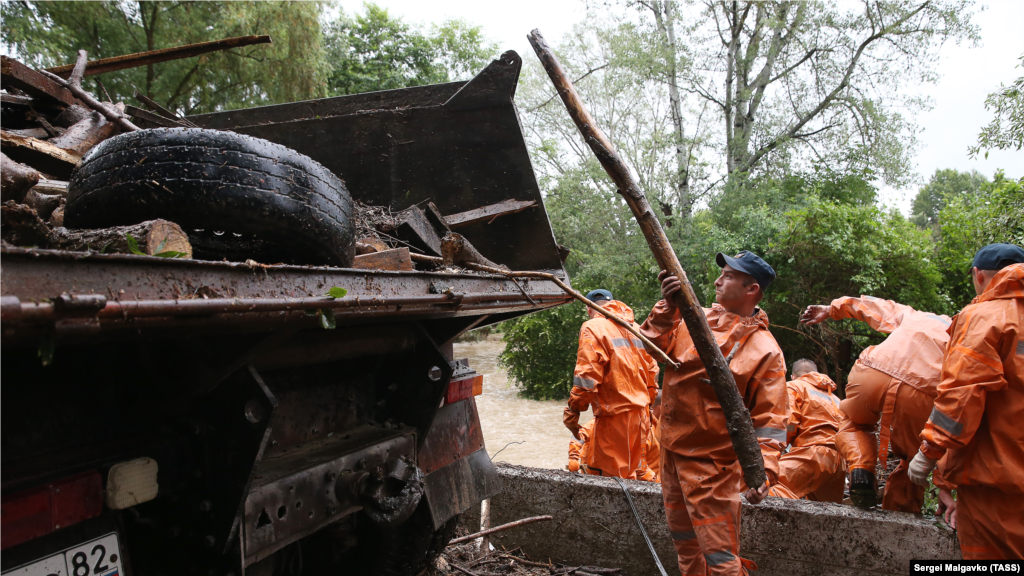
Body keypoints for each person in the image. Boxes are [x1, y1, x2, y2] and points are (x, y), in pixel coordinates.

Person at [641, 251, 787, 576]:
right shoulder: (694, 317)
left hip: (713, 467)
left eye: (729, 276)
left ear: (752, 290)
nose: (718, 280)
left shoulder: (765, 349)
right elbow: (649, 348)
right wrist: (668, 306)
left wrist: (764, 472)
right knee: (685, 545)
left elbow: (771, 420)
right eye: (721, 273)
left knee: (720, 558)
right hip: (670, 453)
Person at [909, 243, 1024, 560]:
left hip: (998, 486)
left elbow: (961, 395)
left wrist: (929, 453)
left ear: (979, 276)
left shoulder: (984, 317)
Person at [800, 294, 951, 512]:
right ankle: (900, 519)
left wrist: (831, 309)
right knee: (912, 459)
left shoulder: (917, 316)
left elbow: (874, 307)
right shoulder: (963, 327)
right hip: (924, 389)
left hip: (874, 371)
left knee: (854, 423)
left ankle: (861, 468)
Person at [563, 289, 660, 479]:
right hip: (641, 416)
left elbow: (587, 377)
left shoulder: (593, 327)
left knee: (607, 479)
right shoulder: (637, 329)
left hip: (614, 417)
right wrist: (647, 406)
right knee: (636, 473)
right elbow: (653, 373)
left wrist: (574, 410)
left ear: (589, 309)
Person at [768, 359, 846, 502]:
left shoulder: (794, 387)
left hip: (812, 454)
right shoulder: (836, 399)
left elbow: (789, 424)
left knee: (765, 484)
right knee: (827, 514)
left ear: (793, 376)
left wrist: (773, 451)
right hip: (839, 463)